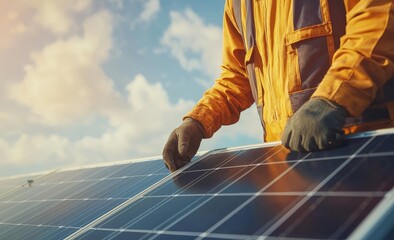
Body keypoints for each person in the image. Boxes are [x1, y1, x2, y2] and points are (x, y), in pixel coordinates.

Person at [163, 0, 394, 172]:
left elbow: (378, 18)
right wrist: (199, 121)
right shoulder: (237, 4)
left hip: (366, 150)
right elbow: (236, 74)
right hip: (285, 165)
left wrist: (333, 98)